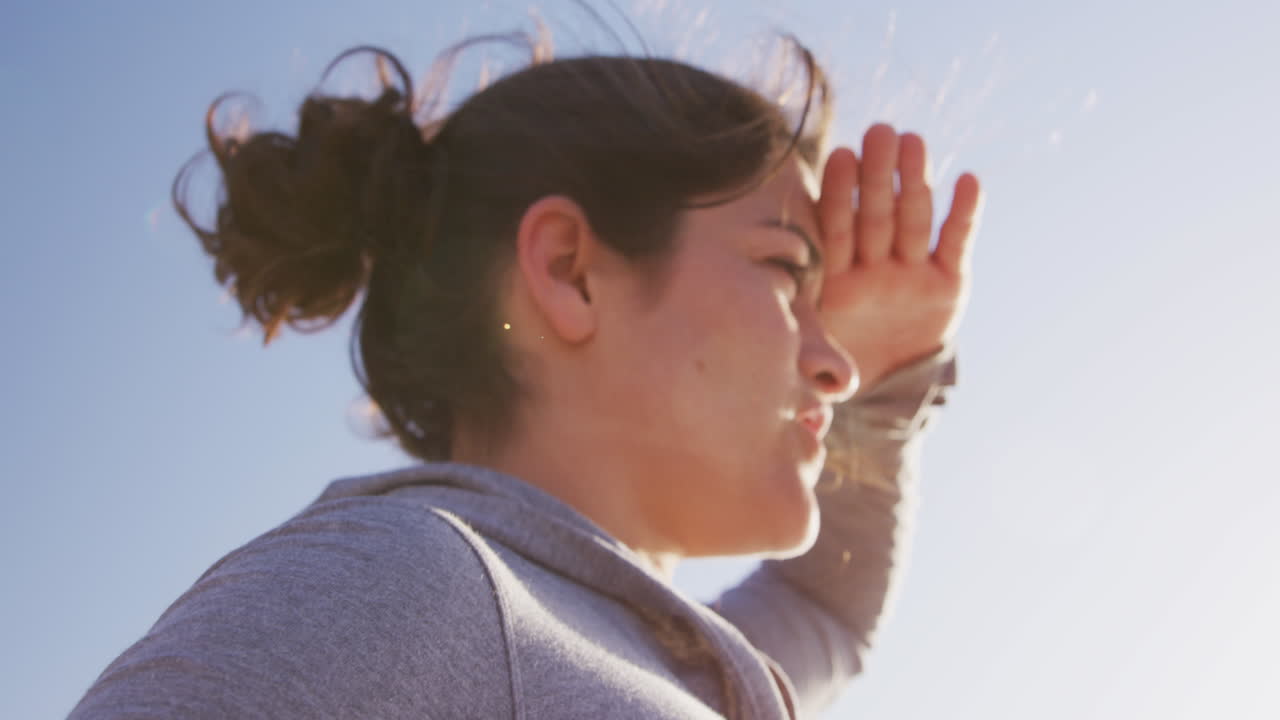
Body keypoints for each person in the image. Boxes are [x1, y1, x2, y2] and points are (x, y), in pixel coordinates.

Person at [69, 26, 981, 720]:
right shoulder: (402, 580)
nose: (836, 367)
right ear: (569, 271)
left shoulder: (632, 641)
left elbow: (828, 607)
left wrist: (893, 374)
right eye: (786, 272)